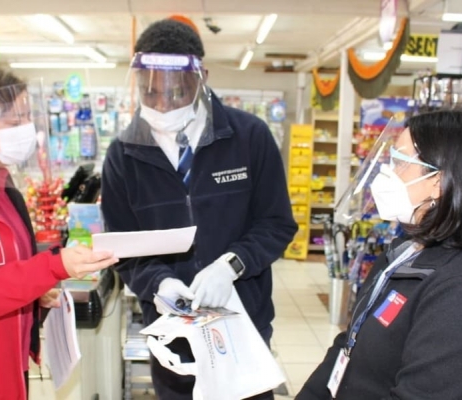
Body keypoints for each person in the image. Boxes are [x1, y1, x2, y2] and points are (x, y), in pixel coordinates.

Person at [101, 18, 297, 400]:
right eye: (150, 92)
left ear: (201, 78)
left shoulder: (249, 137)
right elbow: (124, 248)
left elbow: (276, 223)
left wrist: (233, 265)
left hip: (243, 326)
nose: (162, 105)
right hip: (174, 337)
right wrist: (159, 283)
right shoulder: (123, 155)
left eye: (176, 93)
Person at [0, 65, 118, 400]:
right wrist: (52, 267)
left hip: (10, 367)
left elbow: (3, 272)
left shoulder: (6, 191)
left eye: (28, 116)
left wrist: (35, 294)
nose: (26, 128)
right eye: (14, 122)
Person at [295, 110, 462, 400]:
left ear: (438, 180)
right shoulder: (402, 251)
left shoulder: (452, 285)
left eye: (400, 161)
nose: (387, 172)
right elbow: (350, 340)